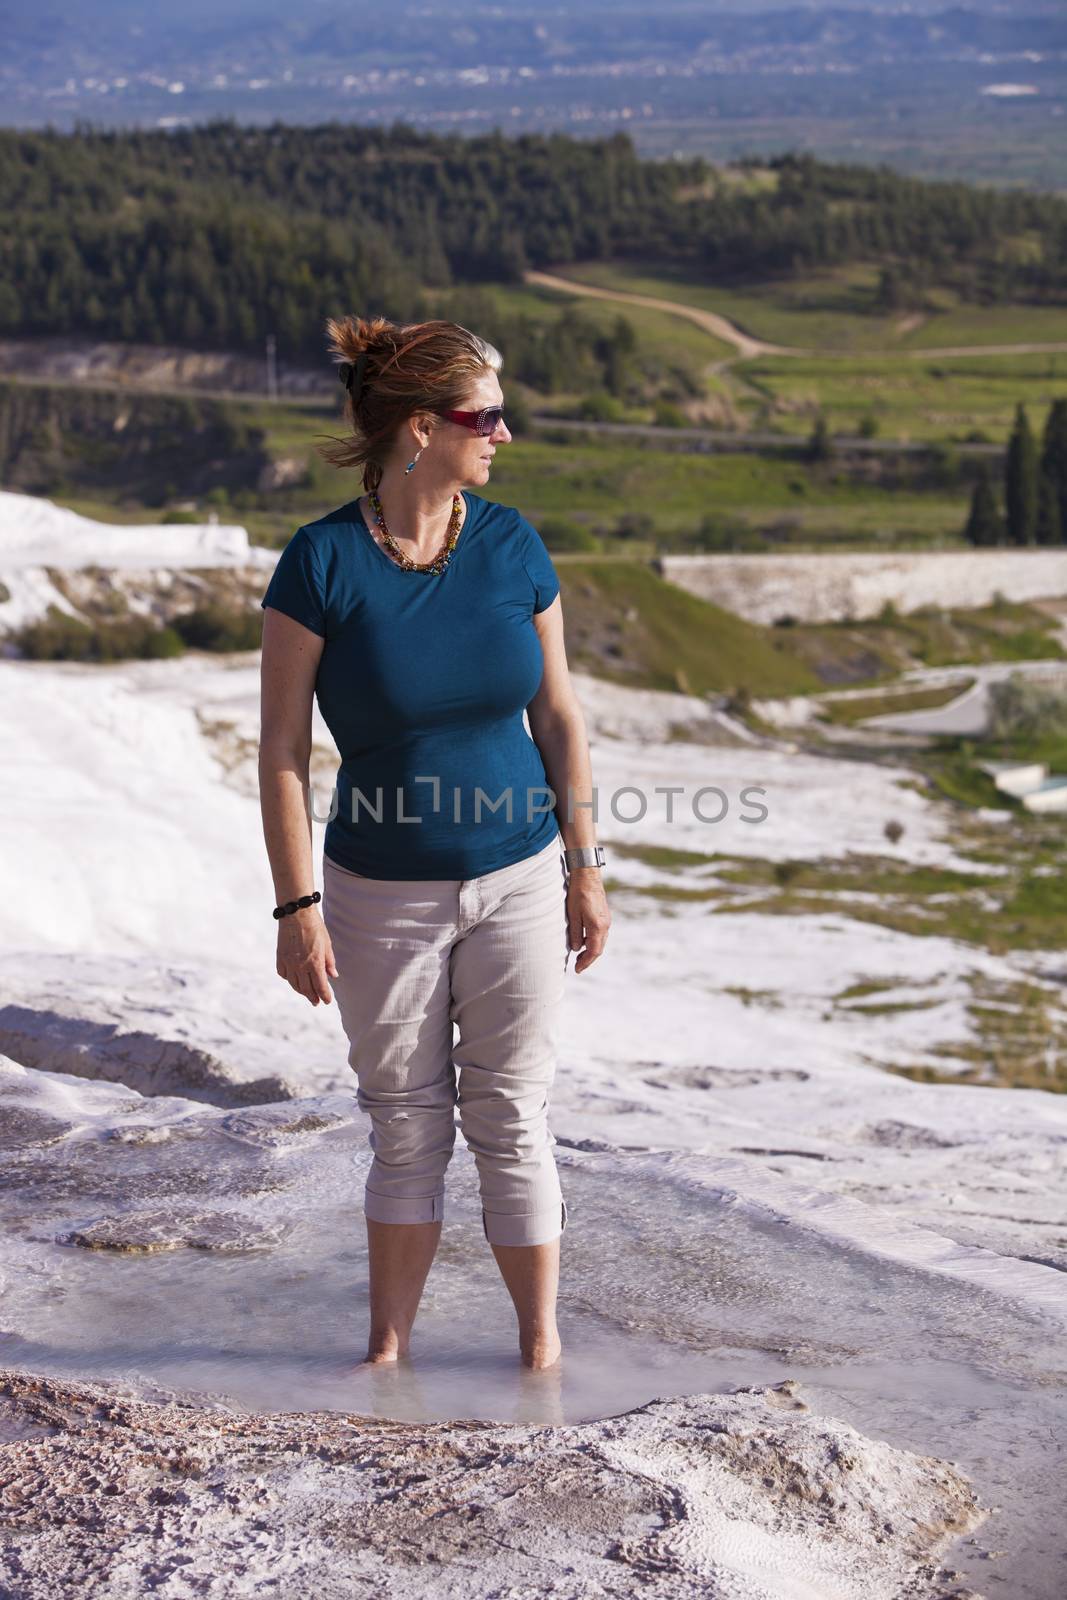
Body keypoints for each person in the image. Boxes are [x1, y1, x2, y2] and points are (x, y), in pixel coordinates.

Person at [258, 313, 611, 1371]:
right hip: (376, 896)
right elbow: (279, 752)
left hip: (515, 877)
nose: (504, 434)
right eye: (485, 416)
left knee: (511, 1115)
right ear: (419, 428)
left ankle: (539, 1355)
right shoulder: (319, 562)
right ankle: (385, 1358)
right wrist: (294, 909)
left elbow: (557, 716)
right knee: (406, 1125)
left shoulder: (510, 543)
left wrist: (585, 868)